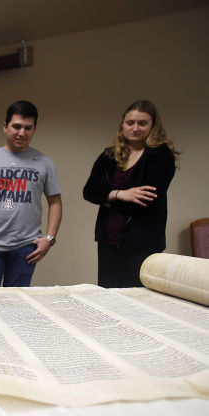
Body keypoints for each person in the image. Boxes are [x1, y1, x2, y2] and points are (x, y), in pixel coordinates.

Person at [0, 100, 62, 287]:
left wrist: (49, 239)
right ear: (5, 126)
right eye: (16, 126)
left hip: (26, 246)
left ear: (34, 129)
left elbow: (55, 202)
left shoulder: (45, 163)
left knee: (16, 304)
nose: (22, 133)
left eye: (28, 128)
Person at [83, 100, 178, 288]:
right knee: (108, 297)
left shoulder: (160, 155)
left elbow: (145, 201)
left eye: (142, 123)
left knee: (138, 300)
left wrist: (106, 197)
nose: (135, 128)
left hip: (142, 242)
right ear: (123, 124)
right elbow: (89, 191)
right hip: (108, 239)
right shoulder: (109, 155)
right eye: (130, 123)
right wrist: (120, 194)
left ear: (153, 125)